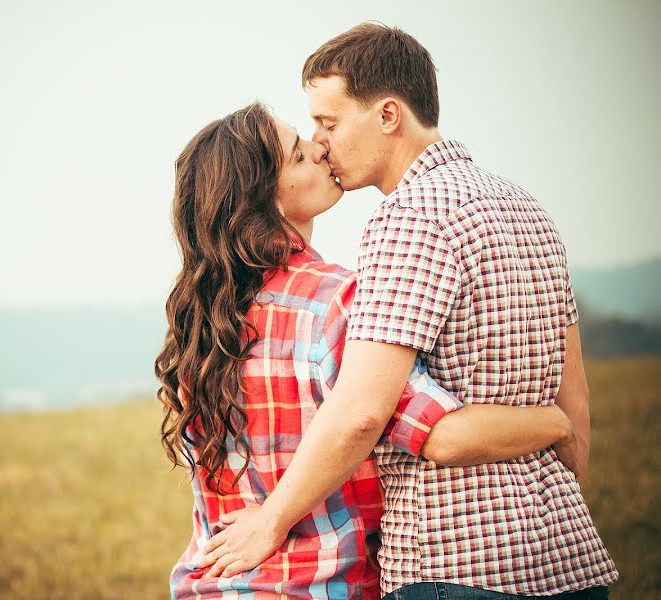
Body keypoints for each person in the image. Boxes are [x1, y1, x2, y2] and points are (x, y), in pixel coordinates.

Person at [199, 24, 618, 600]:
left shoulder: (406, 219)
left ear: (388, 115)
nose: (322, 144)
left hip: (455, 561)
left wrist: (270, 522)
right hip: (569, 560)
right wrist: (556, 457)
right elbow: (576, 397)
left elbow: (364, 413)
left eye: (330, 123)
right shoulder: (530, 209)